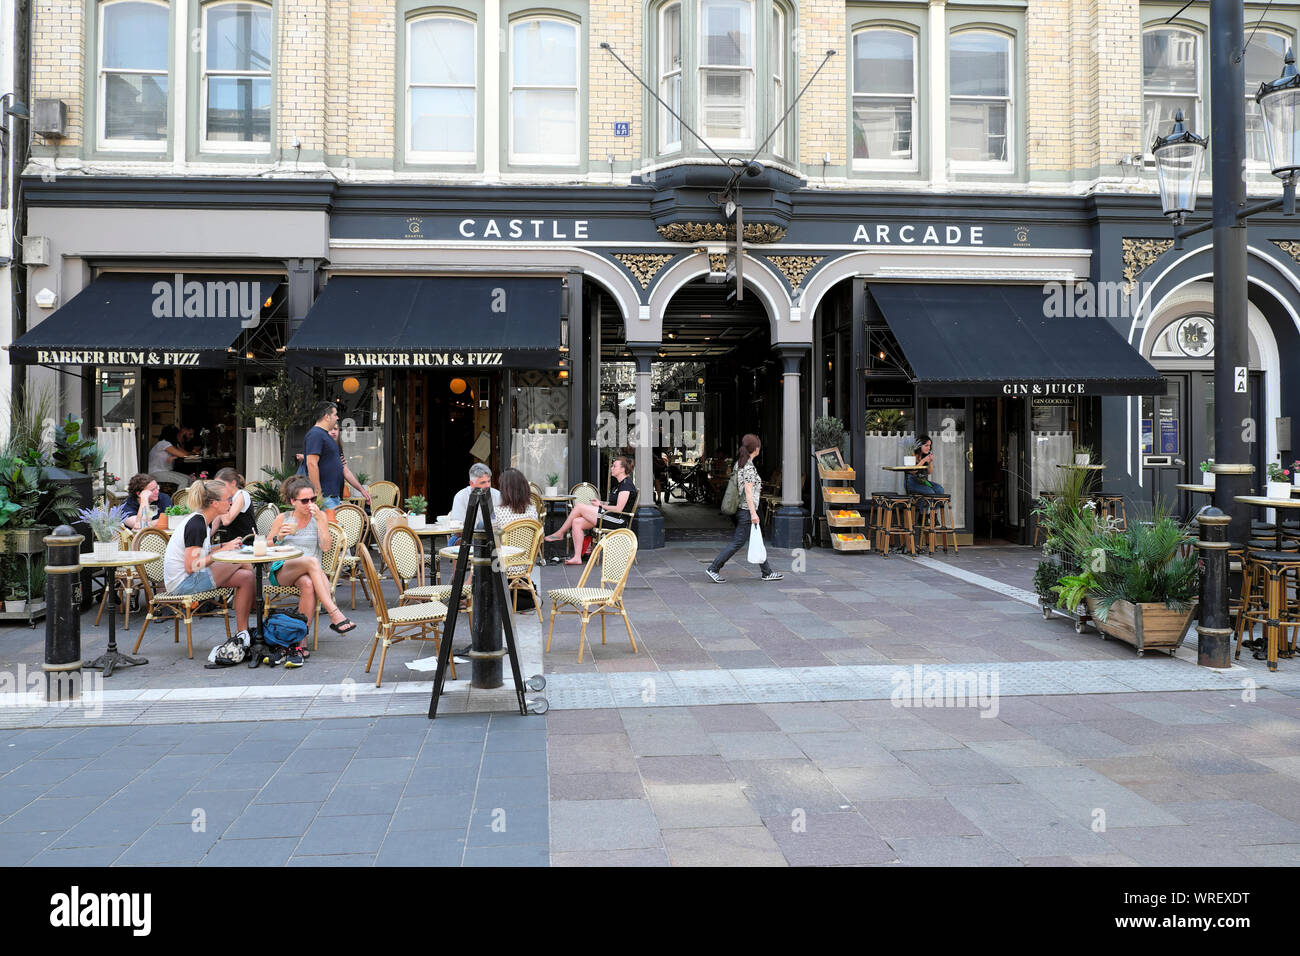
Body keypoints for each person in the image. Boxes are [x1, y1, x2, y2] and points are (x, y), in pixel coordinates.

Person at [161, 479, 256, 644]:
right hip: (182, 583)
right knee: (241, 560)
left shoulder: (202, 521)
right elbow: (192, 566)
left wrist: (222, 545)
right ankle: (256, 609)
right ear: (214, 503)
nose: (231, 502)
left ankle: (243, 631)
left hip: (190, 578)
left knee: (246, 577)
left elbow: (200, 551)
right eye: (227, 499)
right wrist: (222, 550)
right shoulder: (196, 524)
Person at [266, 475, 357, 643]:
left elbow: (325, 547)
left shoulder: (319, 517)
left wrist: (322, 521)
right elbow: (266, 546)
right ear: (293, 501)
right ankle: (333, 612)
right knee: (313, 561)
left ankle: (301, 640)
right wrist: (279, 537)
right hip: (283, 569)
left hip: (310, 574)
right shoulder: (283, 518)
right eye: (305, 501)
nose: (310, 504)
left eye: (313, 499)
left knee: (308, 584)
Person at [706, 434, 784, 583]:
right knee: (737, 542)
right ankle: (713, 568)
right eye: (759, 446)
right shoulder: (748, 467)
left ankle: (767, 572)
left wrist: (756, 490)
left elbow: (747, 488)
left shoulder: (739, 464)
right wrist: (754, 514)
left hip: (745, 510)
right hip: (747, 511)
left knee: (757, 539)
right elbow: (747, 493)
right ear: (756, 449)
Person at [545, 456, 636, 565]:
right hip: (610, 516)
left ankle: (560, 533)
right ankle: (577, 557)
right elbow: (613, 504)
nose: (611, 468)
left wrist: (601, 506)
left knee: (578, 506)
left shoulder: (626, 485)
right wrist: (601, 503)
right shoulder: (620, 484)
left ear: (622, 469)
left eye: (614, 466)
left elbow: (619, 509)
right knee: (576, 522)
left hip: (618, 521)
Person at [295, 422, 371, 506]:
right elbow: (312, 464)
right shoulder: (318, 446)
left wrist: (362, 490)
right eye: (330, 429)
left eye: (336, 429)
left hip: (336, 496)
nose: (333, 432)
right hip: (323, 497)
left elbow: (346, 471)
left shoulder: (337, 449)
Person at [449, 463, 503, 532]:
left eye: (489, 481)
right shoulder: (461, 496)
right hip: (466, 535)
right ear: (471, 484)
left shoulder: (497, 495)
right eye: (483, 482)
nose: (488, 485)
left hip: (493, 536)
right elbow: (457, 526)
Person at [212, 467, 256, 544]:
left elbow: (226, 521)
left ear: (233, 483)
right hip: (228, 543)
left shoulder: (241, 495)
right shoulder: (226, 498)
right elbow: (215, 524)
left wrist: (219, 498)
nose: (218, 488)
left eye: (221, 484)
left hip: (245, 543)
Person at [493, 467, 538, 531]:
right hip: (528, 541)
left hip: (505, 541)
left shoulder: (497, 512)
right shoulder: (532, 510)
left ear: (504, 490)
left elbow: (494, 534)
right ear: (525, 488)